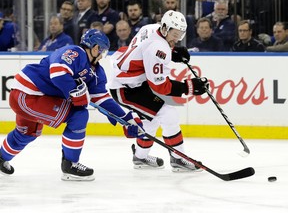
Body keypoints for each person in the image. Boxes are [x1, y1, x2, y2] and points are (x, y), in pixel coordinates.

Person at [0, 29, 144, 181]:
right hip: (29, 94)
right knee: (79, 115)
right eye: (102, 51)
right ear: (95, 48)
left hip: (29, 96)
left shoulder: (96, 72)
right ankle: (70, 164)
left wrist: (126, 119)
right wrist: (75, 92)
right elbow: (58, 73)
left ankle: (1, 158)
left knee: (27, 132)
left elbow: (102, 99)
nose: (102, 55)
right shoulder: (74, 52)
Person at [109, 10, 209, 171]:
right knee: (168, 114)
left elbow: (145, 50)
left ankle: (140, 157)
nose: (176, 38)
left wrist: (173, 51)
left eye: (180, 34)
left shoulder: (151, 28)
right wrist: (189, 86)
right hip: (126, 88)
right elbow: (160, 86)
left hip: (130, 81)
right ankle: (178, 158)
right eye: (174, 34)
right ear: (164, 28)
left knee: (152, 118)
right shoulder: (159, 49)